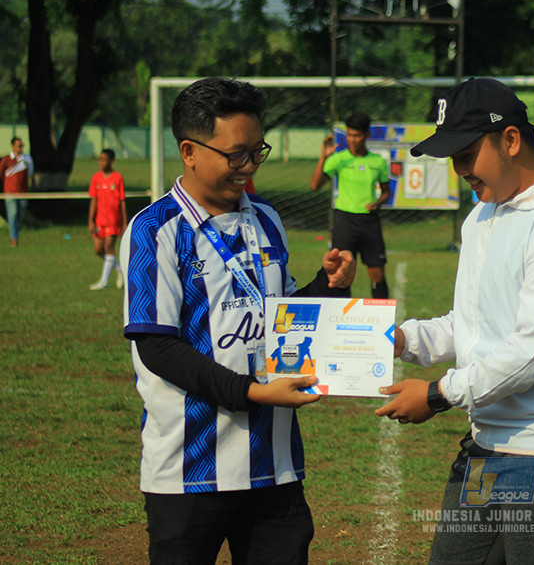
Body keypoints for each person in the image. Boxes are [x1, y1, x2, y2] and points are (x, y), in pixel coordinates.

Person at [374, 78, 534, 564]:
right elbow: (473, 321)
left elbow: (533, 351)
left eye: (467, 154)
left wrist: (437, 394)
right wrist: (402, 339)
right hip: (490, 442)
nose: (459, 170)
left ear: (510, 140)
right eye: (453, 158)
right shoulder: (482, 216)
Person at [121, 77, 357, 565]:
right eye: (235, 155)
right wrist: (253, 393)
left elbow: (285, 320)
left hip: (275, 468)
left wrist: (329, 286)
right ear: (189, 151)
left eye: (256, 152)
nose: (248, 166)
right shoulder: (155, 230)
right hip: (187, 473)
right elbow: (158, 348)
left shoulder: (266, 219)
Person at [310, 112, 391, 299]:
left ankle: (382, 316)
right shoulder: (339, 159)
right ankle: (339, 314)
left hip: (369, 222)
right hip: (344, 221)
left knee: (377, 274)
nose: (352, 140)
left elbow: (386, 192)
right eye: (349, 135)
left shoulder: (378, 161)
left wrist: (378, 202)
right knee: (340, 273)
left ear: (367, 135)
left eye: (357, 135)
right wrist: (323, 157)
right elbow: (314, 186)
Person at [88, 149, 128, 290]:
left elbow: (122, 201)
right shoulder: (96, 178)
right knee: (98, 250)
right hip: (100, 220)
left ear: (111, 162)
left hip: (113, 220)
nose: (101, 163)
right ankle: (118, 268)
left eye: (104, 160)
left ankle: (104, 282)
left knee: (109, 248)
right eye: (100, 159)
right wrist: (91, 220)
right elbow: (94, 200)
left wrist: (125, 222)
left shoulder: (117, 178)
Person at [1, 137, 33, 247]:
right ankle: (13, 239)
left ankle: (16, 234)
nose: (21, 148)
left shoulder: (27, 159)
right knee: (13, 214)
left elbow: (30, 173)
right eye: (19, 146)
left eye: (22, 146)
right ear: (13, 146)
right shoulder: (6, 160)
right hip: (10, 192)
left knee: (20, 215)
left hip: (23, 192)